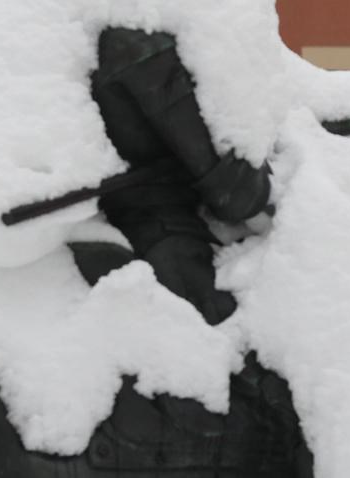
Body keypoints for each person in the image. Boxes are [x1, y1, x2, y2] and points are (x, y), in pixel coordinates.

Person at [88, 27, 271, 326]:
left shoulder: (67, 19)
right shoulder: (140, 37)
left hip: (122, 215)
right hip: (165, 230)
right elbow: (235, 193)